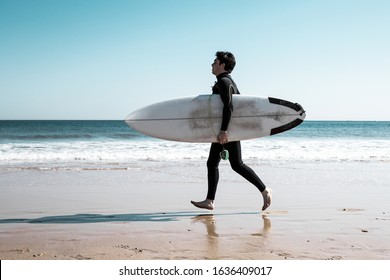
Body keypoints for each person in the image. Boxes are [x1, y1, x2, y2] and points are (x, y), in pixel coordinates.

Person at [191, 51, 272, 211]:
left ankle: (264, 190)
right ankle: (210, 200)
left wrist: (224, 130)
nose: (212, 64)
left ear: (222, 65)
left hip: (227, 130)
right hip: (226, 129)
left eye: (215, 62)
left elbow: (229, 107)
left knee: (236, 164)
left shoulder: (224, 82)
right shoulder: (227, 81)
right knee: (215, 163)